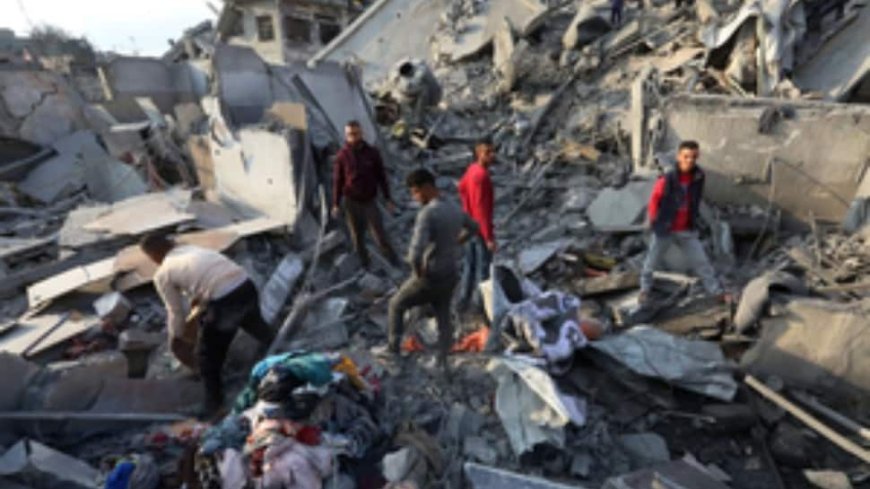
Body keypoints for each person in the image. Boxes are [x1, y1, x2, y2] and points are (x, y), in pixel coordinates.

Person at [140, 234, 275, 415]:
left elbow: (175, 311)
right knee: (254, 324)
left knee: (207, 358)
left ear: (153, 256)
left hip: (224, 299)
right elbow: (203, 282)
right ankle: (279, 349)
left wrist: (175, 338)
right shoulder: (192, 249)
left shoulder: (163, 273)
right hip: (245, 285)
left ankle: (214, 405)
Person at [388, 169, 479, 369]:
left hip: (431, 275)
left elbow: (415, 253)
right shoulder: (454, 208)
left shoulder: (428, 213)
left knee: (396, 304)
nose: (414, 197)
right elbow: (474, 227)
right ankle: (443, 359)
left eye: (415, 192)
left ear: (427, 188)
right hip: (450, 273)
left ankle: (393, 351)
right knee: (443, 313)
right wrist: (458, 242)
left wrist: (418, 272)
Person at [641, 140, 728, 304]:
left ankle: (715, 292)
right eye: (686, 156)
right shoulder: (668, 178)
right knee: (651, 262)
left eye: (694, 157)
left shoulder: (698, 176)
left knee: (702, 262)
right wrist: (653, 220)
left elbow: (695, 199)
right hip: (666, 227)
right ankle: (645, 290)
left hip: (686, 229)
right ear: (679, 157)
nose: (690, 160)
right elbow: (655, 200)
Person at [331, 120, 400, 269]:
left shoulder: (372, 153)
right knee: (357, 236)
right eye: (350, 134)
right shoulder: (343, 155)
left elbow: (382, 177)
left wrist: (388, 198)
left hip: (369, 201)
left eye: (356, 134)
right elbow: (338, 180)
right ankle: (364, 265)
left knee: (379, 234)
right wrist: (336, 203)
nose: (353, 137)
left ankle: (393, 260)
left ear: (361, 133)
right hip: (351, 202)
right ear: (346, 136)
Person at [458, 140, 496, 312]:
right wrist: (488, 237)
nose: (492, 156)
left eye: (492, 152)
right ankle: (480, 306)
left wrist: (466, 210)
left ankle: (462, 301)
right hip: (479, 230)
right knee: (483, 270)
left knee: (469, 265)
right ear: (478, 152)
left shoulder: (471, 169)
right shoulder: (481, 176)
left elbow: (461, 187)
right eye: (487, 152)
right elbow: (482, 210)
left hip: (469, 226)